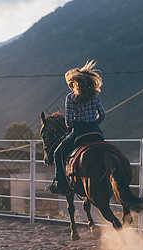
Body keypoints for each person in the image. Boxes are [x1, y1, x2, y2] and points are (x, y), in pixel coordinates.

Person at [48, 60, 106, 195]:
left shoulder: (70, 98)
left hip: (79, 132)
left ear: (72, 84)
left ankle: (61, 185)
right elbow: (102, 114)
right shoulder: (95, 96)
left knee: (58, 153)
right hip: (96, 131)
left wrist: (71, 127)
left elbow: (68, 120)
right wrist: (95, 123)